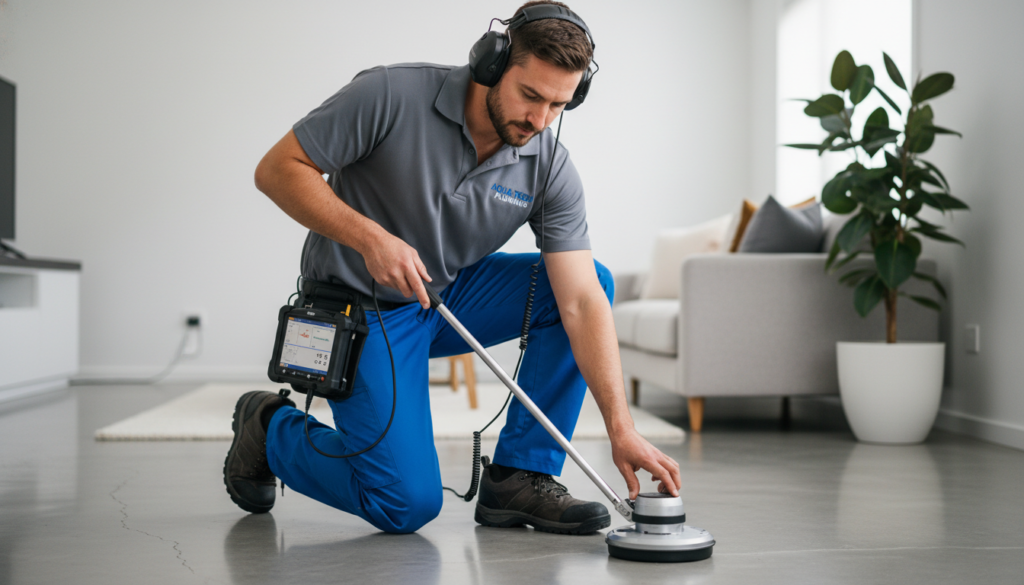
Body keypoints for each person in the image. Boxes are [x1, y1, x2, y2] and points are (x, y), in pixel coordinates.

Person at [224, 1, 681, 535]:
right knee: (405, 504)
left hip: (447, 295)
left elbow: (580, 300)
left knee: (590, 283)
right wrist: (369, 237)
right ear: (492, 64)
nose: (539, 120)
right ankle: (269, 428)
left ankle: (521, 475)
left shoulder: (550, 165)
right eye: (530, 95)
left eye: (558, 105)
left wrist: (619, 427)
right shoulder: (390, 94)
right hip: (363, 308)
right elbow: (277, 170)